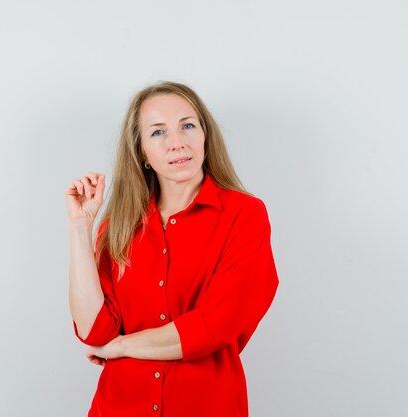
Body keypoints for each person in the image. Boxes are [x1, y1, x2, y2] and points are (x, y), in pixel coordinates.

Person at [65, 81, 279, 417]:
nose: (177, 143)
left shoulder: (245, 216)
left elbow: (212, 326)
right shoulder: (119, 224)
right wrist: (80, 229)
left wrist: (120, 346)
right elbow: (94, 330)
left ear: (205, 135)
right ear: (142, 152)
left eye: (187, 126)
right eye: (158, 132)